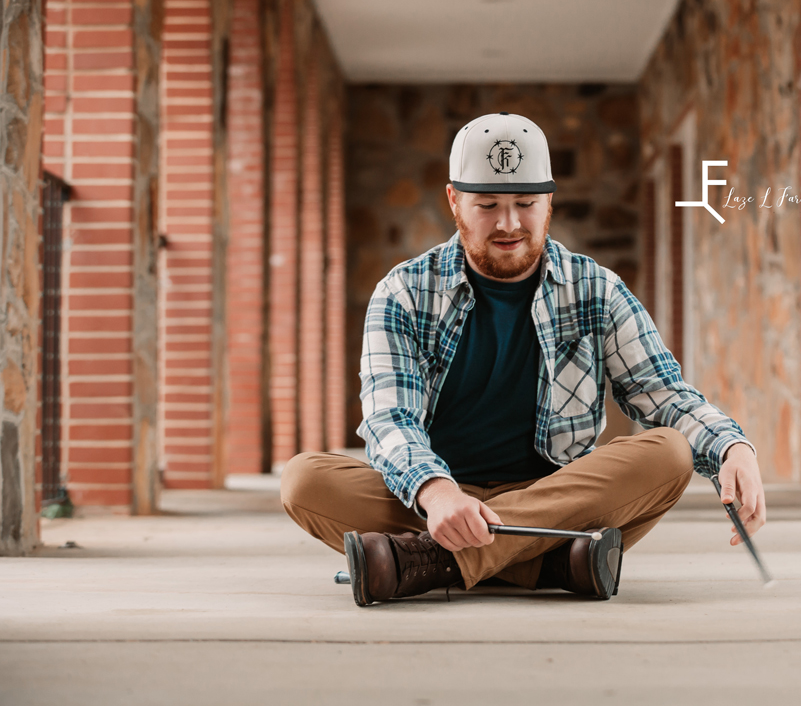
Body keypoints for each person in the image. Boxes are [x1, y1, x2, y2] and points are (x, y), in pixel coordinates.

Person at [281, 111, 766, 605]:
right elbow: (390, 418)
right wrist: (437, 492)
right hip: (440, 500)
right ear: (454, 199)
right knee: (304, 481)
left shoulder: (597, 290)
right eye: (487, 204)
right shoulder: (403, 291)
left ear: (549, 201)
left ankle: (425, 560)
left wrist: (733, 449)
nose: (509, 223)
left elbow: (666, 397)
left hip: (559, 493)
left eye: (526, 203)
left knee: (668, 453)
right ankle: (550, 562)